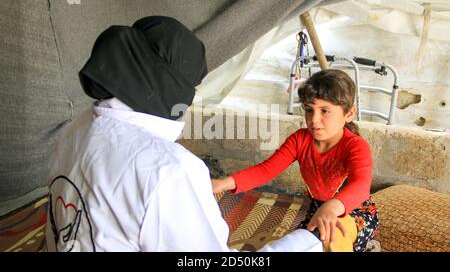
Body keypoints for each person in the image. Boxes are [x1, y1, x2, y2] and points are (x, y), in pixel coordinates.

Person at [45, 16, 322, 252]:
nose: (315, 120)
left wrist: (224, 183)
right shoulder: (168, 170)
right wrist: (308, 242)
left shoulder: (77, 129)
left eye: (325, 111)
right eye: (192, 86)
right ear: (167, 83)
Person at [212, 69, 380, 252]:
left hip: (355, 213)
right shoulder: (300, 139)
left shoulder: (355, 146)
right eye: (309, 110)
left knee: (329, 239)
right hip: (318, 211)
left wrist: (332, 208)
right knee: (305, 241)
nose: (314, 120)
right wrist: (223, 183)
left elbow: (361, 186)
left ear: (349, 114)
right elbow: (266, 170)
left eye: (325, 111)